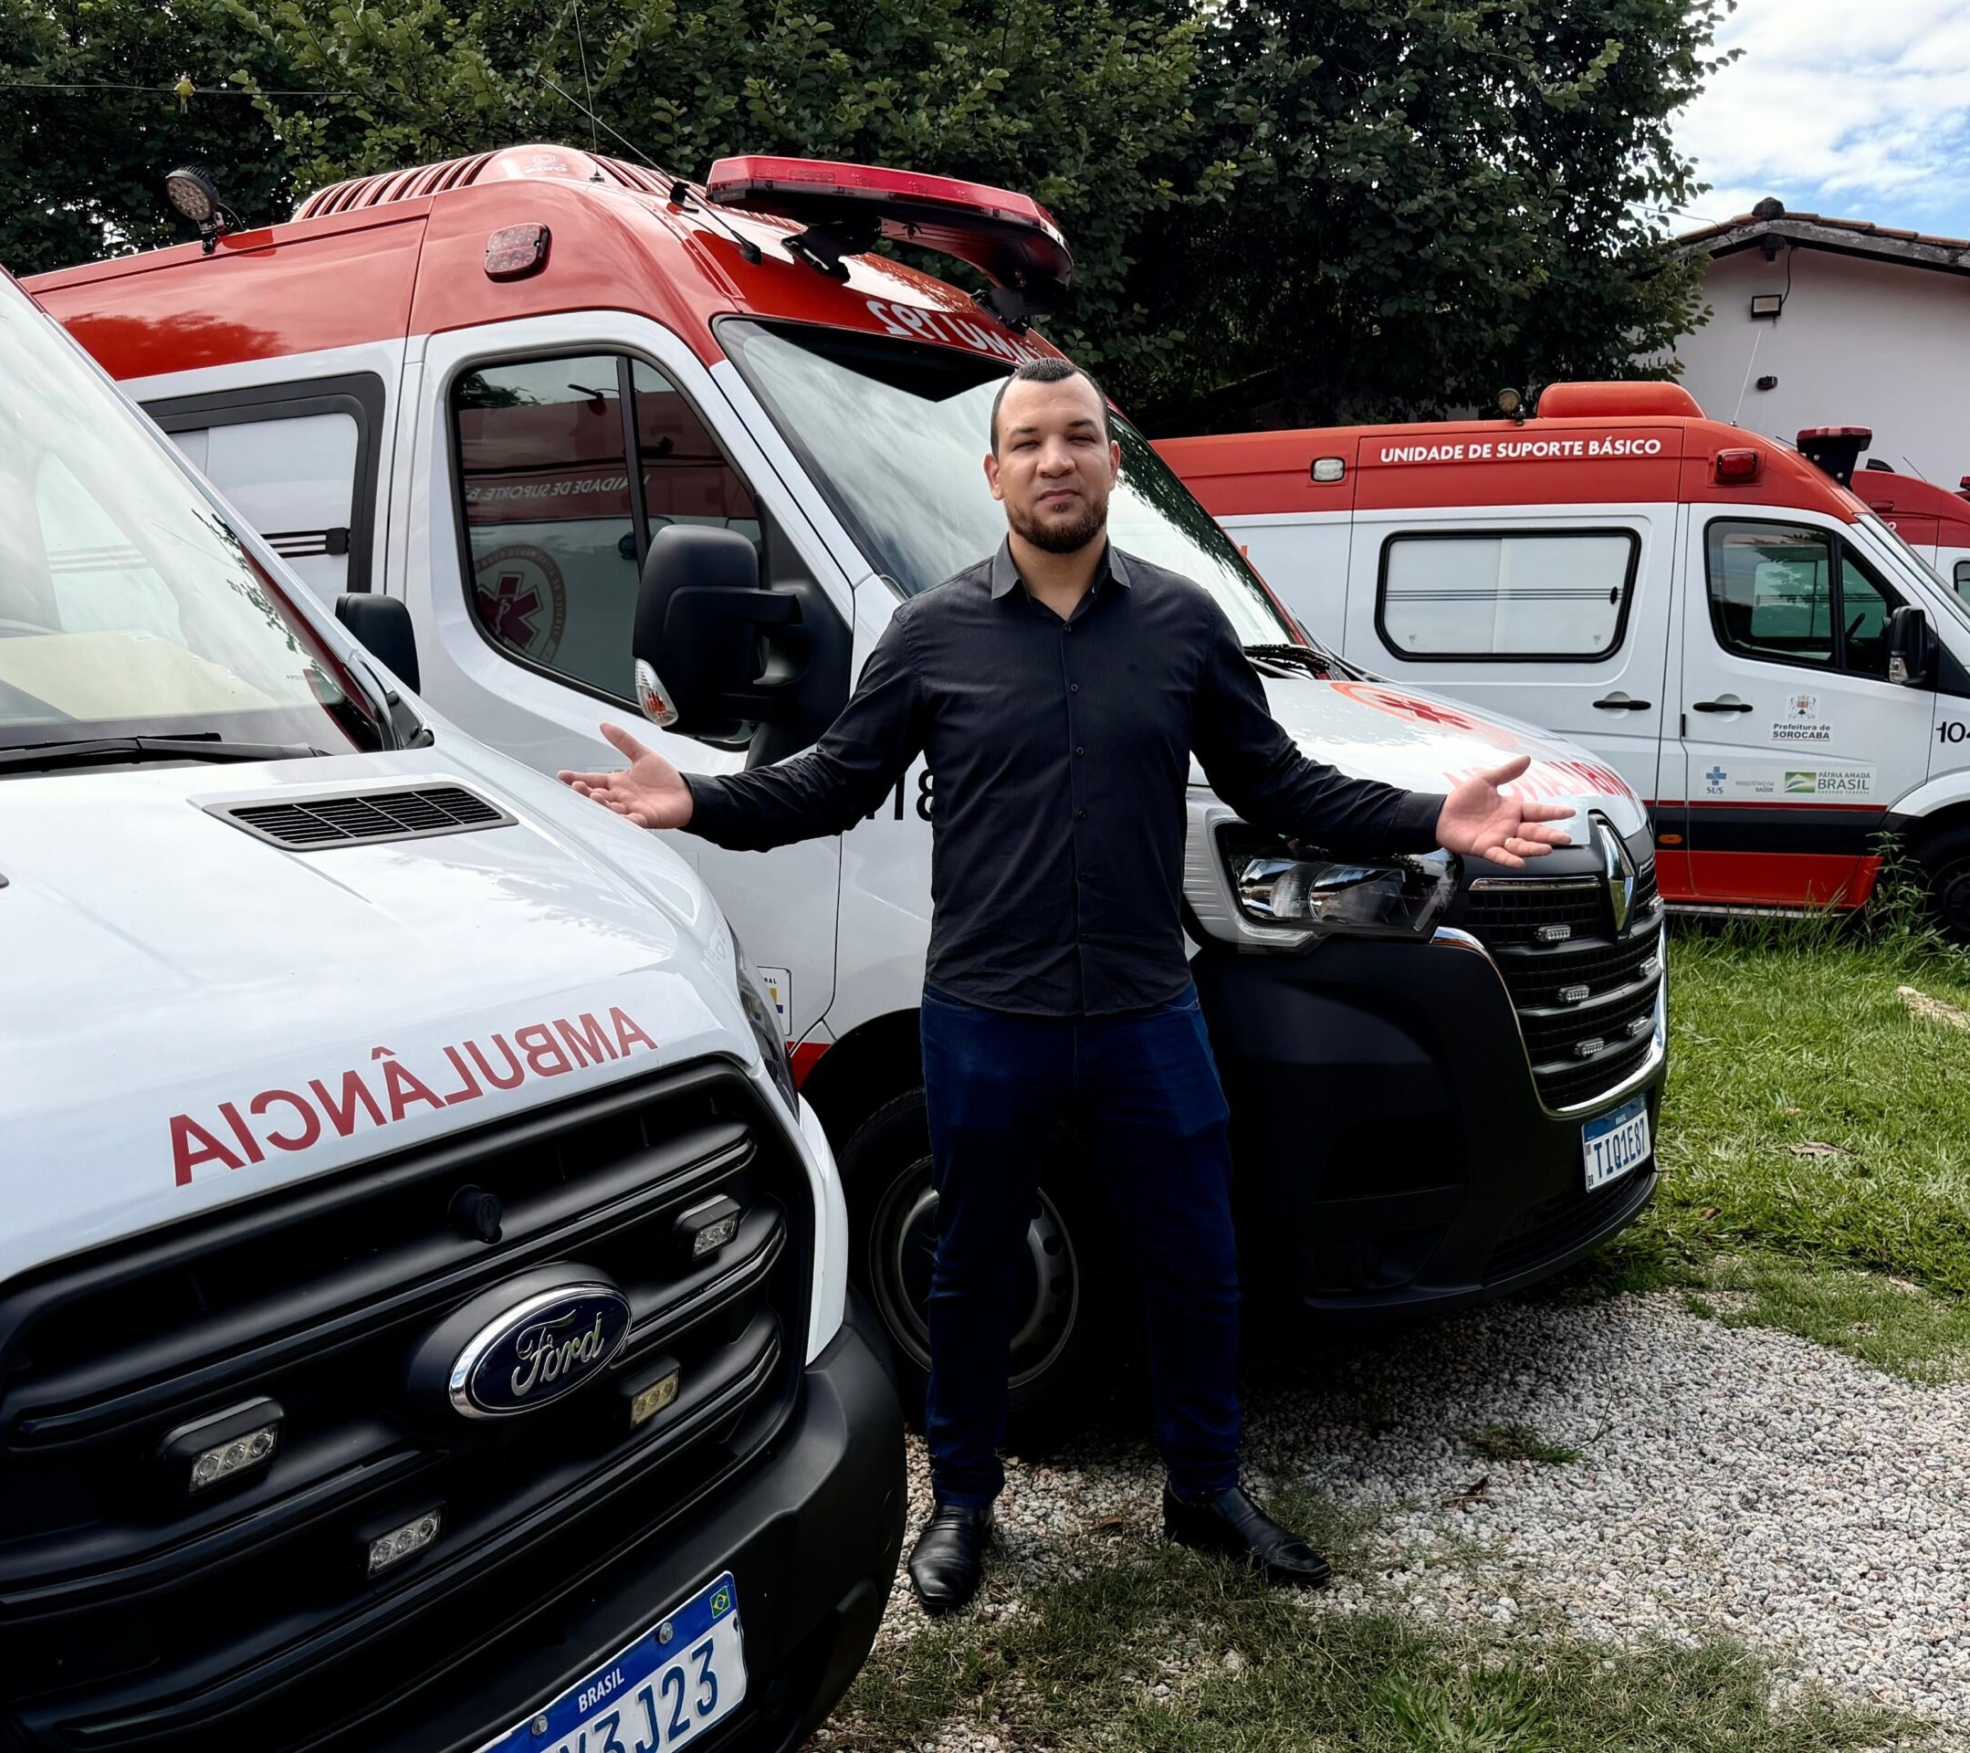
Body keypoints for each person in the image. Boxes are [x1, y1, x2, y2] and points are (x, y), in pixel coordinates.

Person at [558, 357, 1573, 1613]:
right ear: (993, 474)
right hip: (985, 1016)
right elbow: (831, 783)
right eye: (1029, 441)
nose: (1054, 459)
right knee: (972, 1269)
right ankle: (963, 1501)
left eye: (1078, 437)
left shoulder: (1182, 624)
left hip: (1148, 1009)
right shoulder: (930, 633)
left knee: (1197, 1263)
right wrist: (700, 800)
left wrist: (1431, 816)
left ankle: (1202, 1489)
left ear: (1110, 463)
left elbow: (1276, 783)